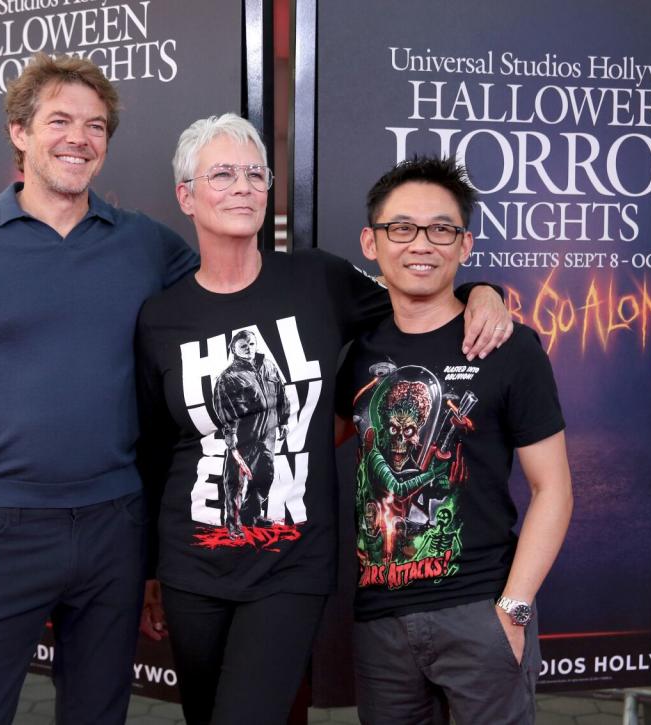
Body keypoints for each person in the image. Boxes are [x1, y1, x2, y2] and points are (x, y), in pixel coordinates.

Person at [134, 114, 513, 725]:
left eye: (256, 174)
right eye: (223, 174)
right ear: (187, 196)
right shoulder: (161, 317)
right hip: (192, 565)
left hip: (292, 566)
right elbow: (156, 448)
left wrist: (485, 291)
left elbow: (419, 296)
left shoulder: (315, 279)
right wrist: (151, 569)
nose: (243, 187)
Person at [0, 53, 197, 724]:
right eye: (60, 120)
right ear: (19, 131)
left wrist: (464, 296)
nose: (79, 139)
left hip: (117, 525)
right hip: (3, 530)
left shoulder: (146, 244)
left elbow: (242, 288)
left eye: (95, 125)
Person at [335, 156, 574, 724]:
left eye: (441, 229)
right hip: (380, 620)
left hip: (479, 612)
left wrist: (513, 611)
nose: (421, 243)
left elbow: (554, 490)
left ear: (464, 245)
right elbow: (311, 451)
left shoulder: (508, 348)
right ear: (372, 242)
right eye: (402, 228)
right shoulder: (359, 353)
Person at [212, 329, 290, 538]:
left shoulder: (269, 366)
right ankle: (234, 525)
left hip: (267, 434)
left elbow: (281, 393)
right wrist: (231, 434)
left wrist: (283, 420)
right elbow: (223, 406)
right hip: (242, 437)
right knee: (235, 482)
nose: (249, 349)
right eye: (243, 346)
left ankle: (252, 515)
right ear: (234, 349)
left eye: (252, 344)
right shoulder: (228, 377)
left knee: (266, 475)